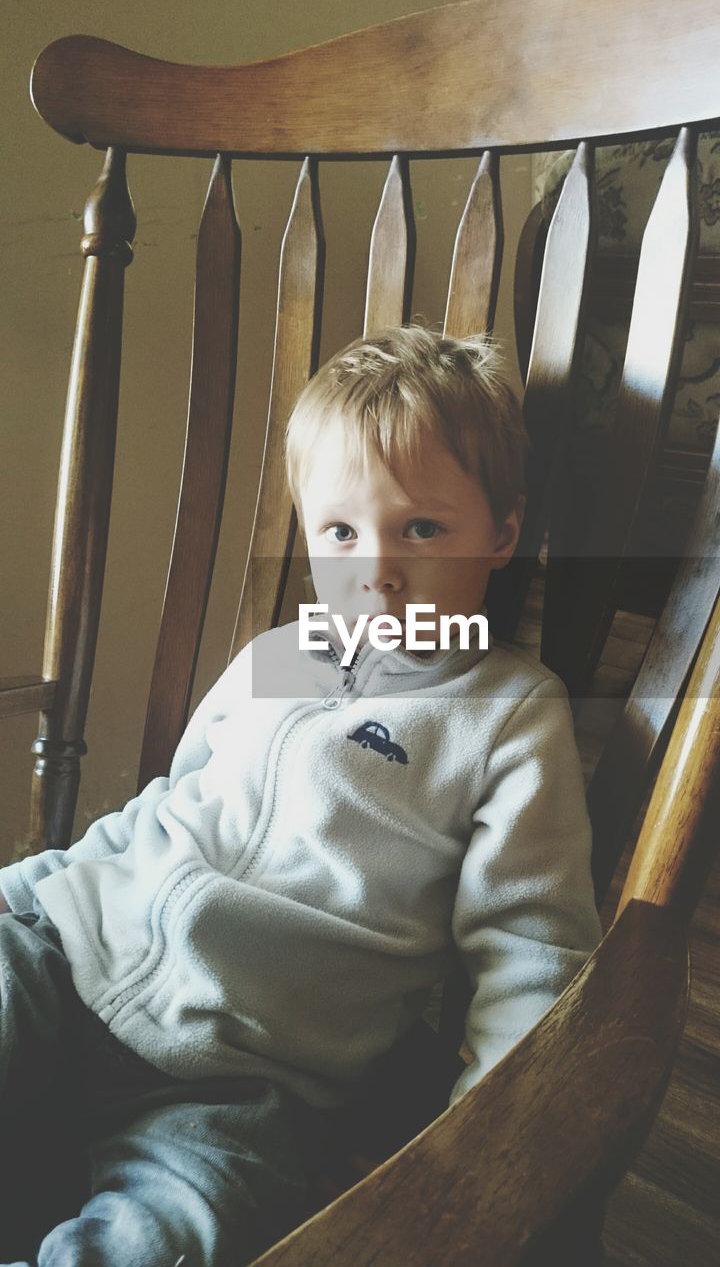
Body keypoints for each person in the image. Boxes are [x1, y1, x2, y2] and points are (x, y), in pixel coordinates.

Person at [0, 325, 602, 1266]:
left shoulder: (510, 716)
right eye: (341, 531)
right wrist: (34, 888)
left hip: (242, 1079)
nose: (377, 569)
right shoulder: (278, 656)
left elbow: (532, 950)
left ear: (504, 533)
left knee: (178, 1238)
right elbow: (171, 801)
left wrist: (476, 1144)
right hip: (68, 955)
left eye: (423, 528)